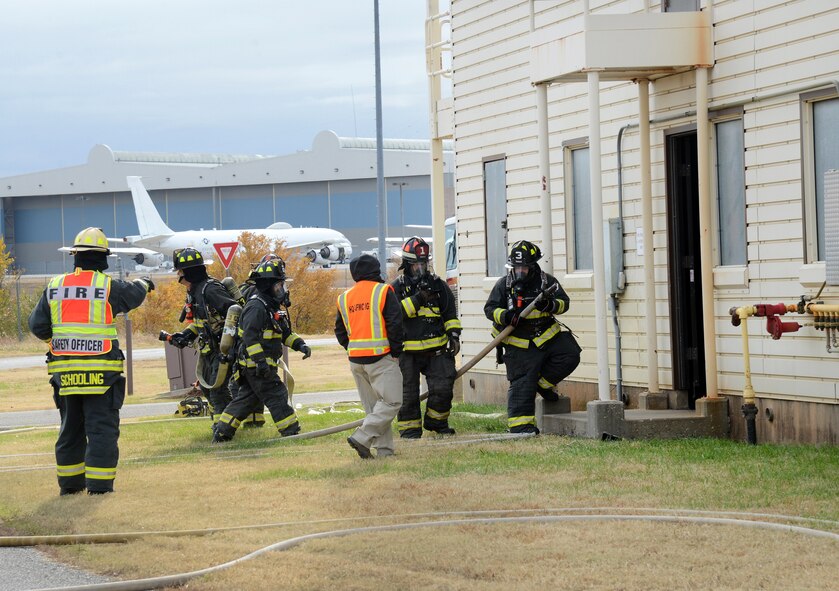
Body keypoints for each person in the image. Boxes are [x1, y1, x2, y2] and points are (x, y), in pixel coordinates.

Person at [28, 227, 153, 495]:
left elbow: (37, 326)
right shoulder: (107, 286)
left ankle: (70, 486)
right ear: (103, 257)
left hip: (66, 375)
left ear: (75, 256)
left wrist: (61, 340)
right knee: (101, 430)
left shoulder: (55, 286)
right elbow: (134, 294)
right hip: (101, 375)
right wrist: (145, 282)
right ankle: (99, 487)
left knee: (70, 430)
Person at [484, 240, 581, 434]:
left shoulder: (547, 282)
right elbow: (490, 309)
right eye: (516, 267)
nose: (520, 272)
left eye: (524, 268)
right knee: (522, 383)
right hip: (517, 343)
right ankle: (521, 427)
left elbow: (564, 303)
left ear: (533, 266)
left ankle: (542, 384)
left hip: (546, 337)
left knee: (570, 354)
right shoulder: (504, 284)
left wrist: (550, 305)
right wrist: (506, 316)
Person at [213, 259, 311, 442]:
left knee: (246, 400)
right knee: (277, 395)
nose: (283, 289)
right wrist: (260, 362)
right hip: (256, 366)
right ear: (267, 285)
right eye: (279, 285)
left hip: (261, 365)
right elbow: (249, 338)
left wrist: (300, 345)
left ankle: (222, 431)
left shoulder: (270, 306)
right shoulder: (255, 307)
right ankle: (291, 431)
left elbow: (285, 334)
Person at [391, 237, 461, 438]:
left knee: (444, 387)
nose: (421, 269)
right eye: (416, 265)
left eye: (423, 264)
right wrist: (419, 298)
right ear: (407, 265)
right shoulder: (397, 287)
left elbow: (450, 314)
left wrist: (454, 336)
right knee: (408, 394)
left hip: (437, 349)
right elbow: (396, 315)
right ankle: (410, 431)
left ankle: (437, 423)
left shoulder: (439, 285)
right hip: (408, 352)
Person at [335, 254, 404, 459]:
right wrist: (396, 352)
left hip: (356, 360)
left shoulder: (344, 297)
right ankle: (362, 437)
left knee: (375, 408)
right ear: (376, 271)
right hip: (381, 357)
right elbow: (395, 323)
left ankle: (384, 451)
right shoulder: (383, 291)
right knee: (391, 403)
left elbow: (340, 332)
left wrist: (353, 348)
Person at [165, 247, 237, 424]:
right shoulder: (195, 291)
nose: (178, 276)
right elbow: (201, 323)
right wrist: (184, 336)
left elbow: (235, 313)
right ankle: (223, 423)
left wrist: (229, 345)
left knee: (217, 390)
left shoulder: (210, 290)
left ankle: (223, 430)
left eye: (180, 271)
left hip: (222, 348)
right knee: (206, 388)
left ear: (189, 272)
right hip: (209, 350)